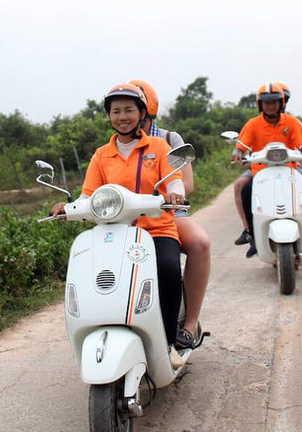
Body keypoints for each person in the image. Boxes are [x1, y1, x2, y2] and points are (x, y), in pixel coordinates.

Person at [49, 83, 187, 349]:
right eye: (115, 111)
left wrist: (174, 195)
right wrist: (67, 208)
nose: (122, 117)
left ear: (142, 113)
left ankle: (169, 342)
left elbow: (175, 182)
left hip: (156, 230)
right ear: (109, 116)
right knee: (98, 277)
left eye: (128, 110)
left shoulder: (158, 147)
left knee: (168, 269)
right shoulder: (102, 155)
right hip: (114, 233)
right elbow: (87, 196)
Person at [129, 79, 208, 351]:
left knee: (199, 243)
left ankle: (188, 325)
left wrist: (168, 196)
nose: (128, 118)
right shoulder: (116, 144)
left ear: (146, 111)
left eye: (134, 110)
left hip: (168, 213)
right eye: (121, 110)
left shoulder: (169, 139)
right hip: (128, 217)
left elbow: (186, 183)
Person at [231, 82, 302, 258]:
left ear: (281, 102)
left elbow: (301, 144)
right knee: (240, 186)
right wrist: (237, 153)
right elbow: (240, 146)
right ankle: (248, 231)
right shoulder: (253, 124)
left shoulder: (291, 122)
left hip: (289, 167)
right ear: (260, 104)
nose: (270, 105)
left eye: (274, 101)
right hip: (260, 170)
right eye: (266, 102)